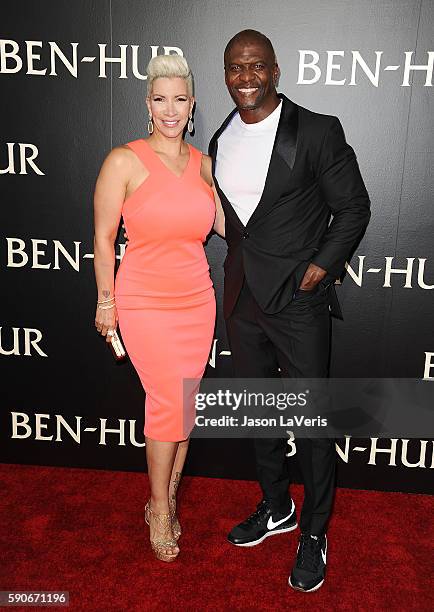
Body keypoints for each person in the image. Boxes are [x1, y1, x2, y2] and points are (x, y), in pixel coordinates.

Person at [208, 30, 371, 591]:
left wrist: (319, 268)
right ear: (225, 75)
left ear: (275, 71)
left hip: (300, 304)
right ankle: (277, 507)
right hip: (243, 299)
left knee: (311, 421)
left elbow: (354, 207)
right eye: (234, 68)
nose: (245, 77)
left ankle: (316, 530)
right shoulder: (221, 136)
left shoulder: (317, 130)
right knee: (260, 412)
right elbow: (235, 222)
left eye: (255, 66)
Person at [93, 54, 224, 562]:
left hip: (197, 300)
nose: (170, 109)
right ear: (148, 104)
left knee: (182, 407)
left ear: (192, 106)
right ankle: (160, 507)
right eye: (160, 98)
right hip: (144, 300)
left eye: (180, 99)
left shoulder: (204, 165)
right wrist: (106, 302)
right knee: (169, 401)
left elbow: (228, 227)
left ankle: (163, 499)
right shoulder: (122, 160)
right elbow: (104, 240)